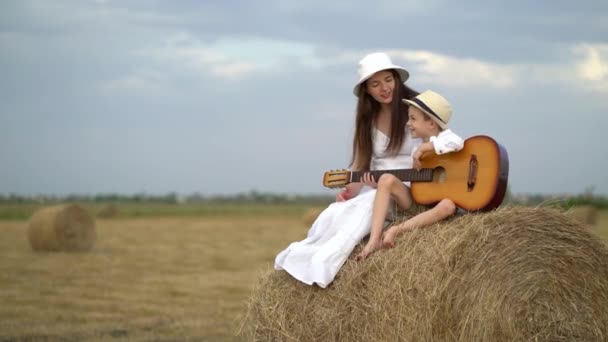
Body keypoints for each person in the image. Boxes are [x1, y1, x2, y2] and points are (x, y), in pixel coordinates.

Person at [274, 52, 421, 288]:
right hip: (378, 188)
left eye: (388, 80)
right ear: (367, 91)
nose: (384, 88)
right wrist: (349, 192)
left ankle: (325, 264)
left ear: (396, 78)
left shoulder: (416, 108)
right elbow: (361, 166)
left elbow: (440, 139)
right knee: (337, 212)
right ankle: (306, 262)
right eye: (375, 84)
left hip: (413, 189)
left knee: (364, 209)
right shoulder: (368, 121)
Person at [355, 90, 464, 260]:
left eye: (413, 119)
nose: (408, 123)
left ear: (431, 124)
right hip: (418, 203)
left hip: (439, 207)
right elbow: (415, 181)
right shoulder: (415, 146)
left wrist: (426, 148)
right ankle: (374, 240)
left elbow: (458, 142)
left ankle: (397, 229)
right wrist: (377, 183)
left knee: (447, 206)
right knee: (386, 179)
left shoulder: (446, 138)